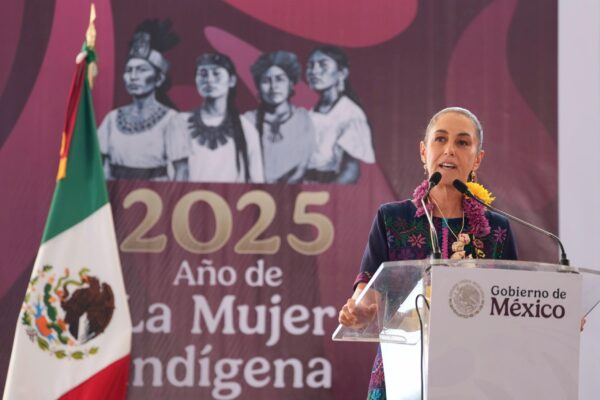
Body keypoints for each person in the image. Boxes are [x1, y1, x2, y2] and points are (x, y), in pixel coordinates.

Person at [338, 107, 518, 399]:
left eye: (462, 142)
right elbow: (367, 294)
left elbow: (514, 303)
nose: (449, 150)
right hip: (400, 372)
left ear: (477, 158)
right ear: (424, 151)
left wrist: (554, 318)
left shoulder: (496, 229)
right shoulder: (392, 219)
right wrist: (359, 311)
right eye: (440, 139)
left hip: (475, 375)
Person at [97, 19, 187, 181]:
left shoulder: (171, 120)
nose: (133, 77)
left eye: (142, 70)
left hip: (156, 194)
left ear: (159, 79)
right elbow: (96, 164)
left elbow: (182, 171)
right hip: (116, 192)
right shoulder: (112, 119)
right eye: (129, 70)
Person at [169, 52, 264, 183]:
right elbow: (179, 176)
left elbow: (257, 181)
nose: (209, 80)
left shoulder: (246, 128)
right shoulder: (180, 123)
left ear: (231, 81)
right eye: (203, 74)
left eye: (216, 74)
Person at [304, 46, 376, 184]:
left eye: (323, 65)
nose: (314, 71)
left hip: (327, 190)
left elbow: (351, 172)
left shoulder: (350, 114)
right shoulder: (309, 112)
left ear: (342, 73)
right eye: (310, 65)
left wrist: (327, 193)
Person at [244, 51, 316, 183]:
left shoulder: (304, 118)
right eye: (266, 81)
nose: (273, 87)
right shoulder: (247, 121)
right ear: (258, 87)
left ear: (291, 83)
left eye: (280, 79)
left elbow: (303, 166)